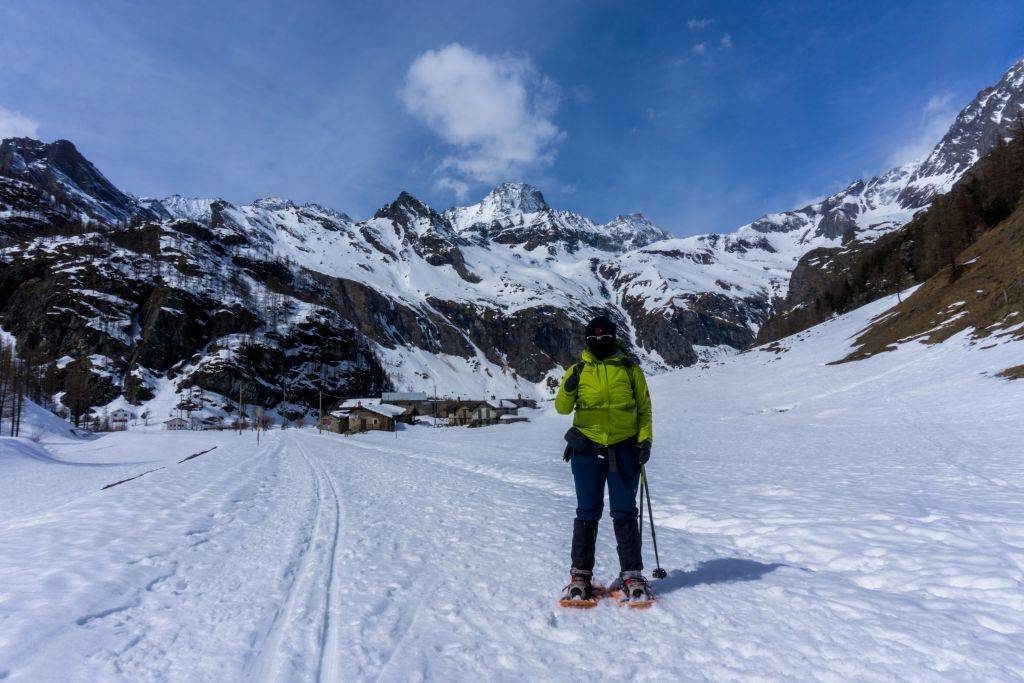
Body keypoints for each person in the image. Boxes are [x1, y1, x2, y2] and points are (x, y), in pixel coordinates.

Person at [556, 314, 654, 602]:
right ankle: (580, 575)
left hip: (624, 449)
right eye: (594, 338)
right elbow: (562, 408)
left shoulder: (629, 368)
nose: (600, 341)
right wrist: (570, 383)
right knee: (587, 510)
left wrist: (645, 440)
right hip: (586, 449)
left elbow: (645, 410)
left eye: (605, 337)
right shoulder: (578, 369)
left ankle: (632, 575)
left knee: (624, 511)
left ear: (613, 338)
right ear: (588, 340)